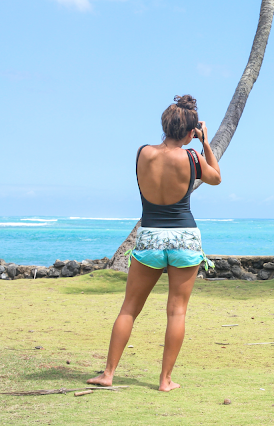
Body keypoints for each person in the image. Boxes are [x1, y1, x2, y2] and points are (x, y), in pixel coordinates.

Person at [87, 95, 221, 392]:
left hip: (149, 235)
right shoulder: (192, 157)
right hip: (184, 237)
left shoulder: (142, 153)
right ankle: (165, 380)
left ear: (165, 125)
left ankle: (108, 374)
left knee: (129, 309)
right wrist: (205, 143)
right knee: (176, 312)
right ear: (190, 132)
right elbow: (216, 178)